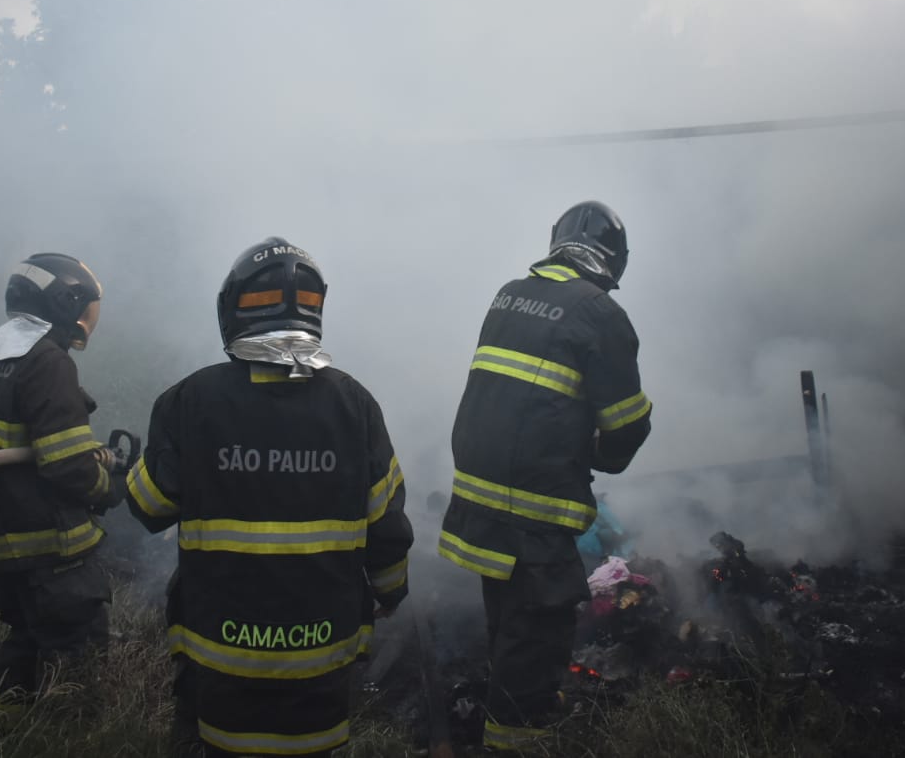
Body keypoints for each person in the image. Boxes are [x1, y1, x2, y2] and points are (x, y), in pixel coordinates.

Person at [126, 237, 414, 758]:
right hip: (322, 653)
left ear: (232, 310)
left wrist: (135, 468)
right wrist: (391, 594)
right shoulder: (356, 405)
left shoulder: (190, 400)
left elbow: (149, 507)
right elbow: (387, 528)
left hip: (218, 652)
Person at [437, 201, 652, 751]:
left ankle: (504, 711)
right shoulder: (600, 313)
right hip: (532, 510)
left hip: (479, 502)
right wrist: (603, 454)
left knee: (507, 626)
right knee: (536, 641)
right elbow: (625, 426)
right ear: (614, 262)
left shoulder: (509, 294)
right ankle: (517, 739)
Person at [0, 253, 135, 725]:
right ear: (65, 303)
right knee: (75, 654)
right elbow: (65, 465)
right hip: (49, 547)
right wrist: (108, 486)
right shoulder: (48, 361)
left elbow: (30, 446)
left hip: (3, 542)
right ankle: (68, 739)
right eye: (85, 308)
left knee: (26, 641)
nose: (86, 322)